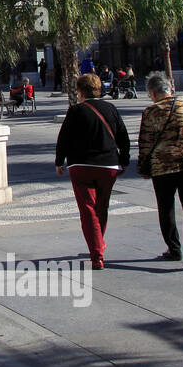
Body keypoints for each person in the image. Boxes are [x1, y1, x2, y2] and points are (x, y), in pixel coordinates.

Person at [55, 73, 131, 270]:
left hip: (81, 166)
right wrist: (124, 160)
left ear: (80, 92)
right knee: (102, 207)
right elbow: (123, 136)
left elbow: (64, 138)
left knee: (87, 210)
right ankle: (98, 244)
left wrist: (59, 161)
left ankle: (97, 252)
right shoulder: (111, 109)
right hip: (108, 166)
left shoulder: (76, 111)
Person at [138, 72, 183, 270]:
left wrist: (143, 168)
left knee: (166, 207)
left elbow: (144, 143)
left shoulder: (151, 112)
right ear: (171, 89)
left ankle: (174, 248)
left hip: (163, 166)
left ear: (152, 93)